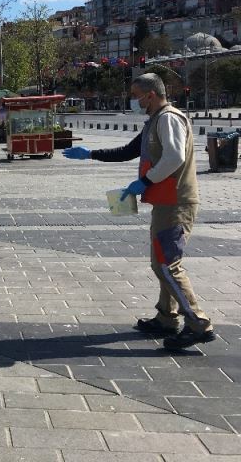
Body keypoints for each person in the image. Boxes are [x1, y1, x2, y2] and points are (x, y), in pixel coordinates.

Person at [63, 73, 215, 351]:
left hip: (176, 203)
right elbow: (128, 151)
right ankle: (166, 319)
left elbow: (175, 156)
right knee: (161, 259)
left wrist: (145, 181)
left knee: (167, 264)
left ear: (151, 95)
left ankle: (198, 323)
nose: (134, 101)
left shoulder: (168, 118)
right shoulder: (154, 122)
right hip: (165, 201)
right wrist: (90, 154)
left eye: (136, 95)